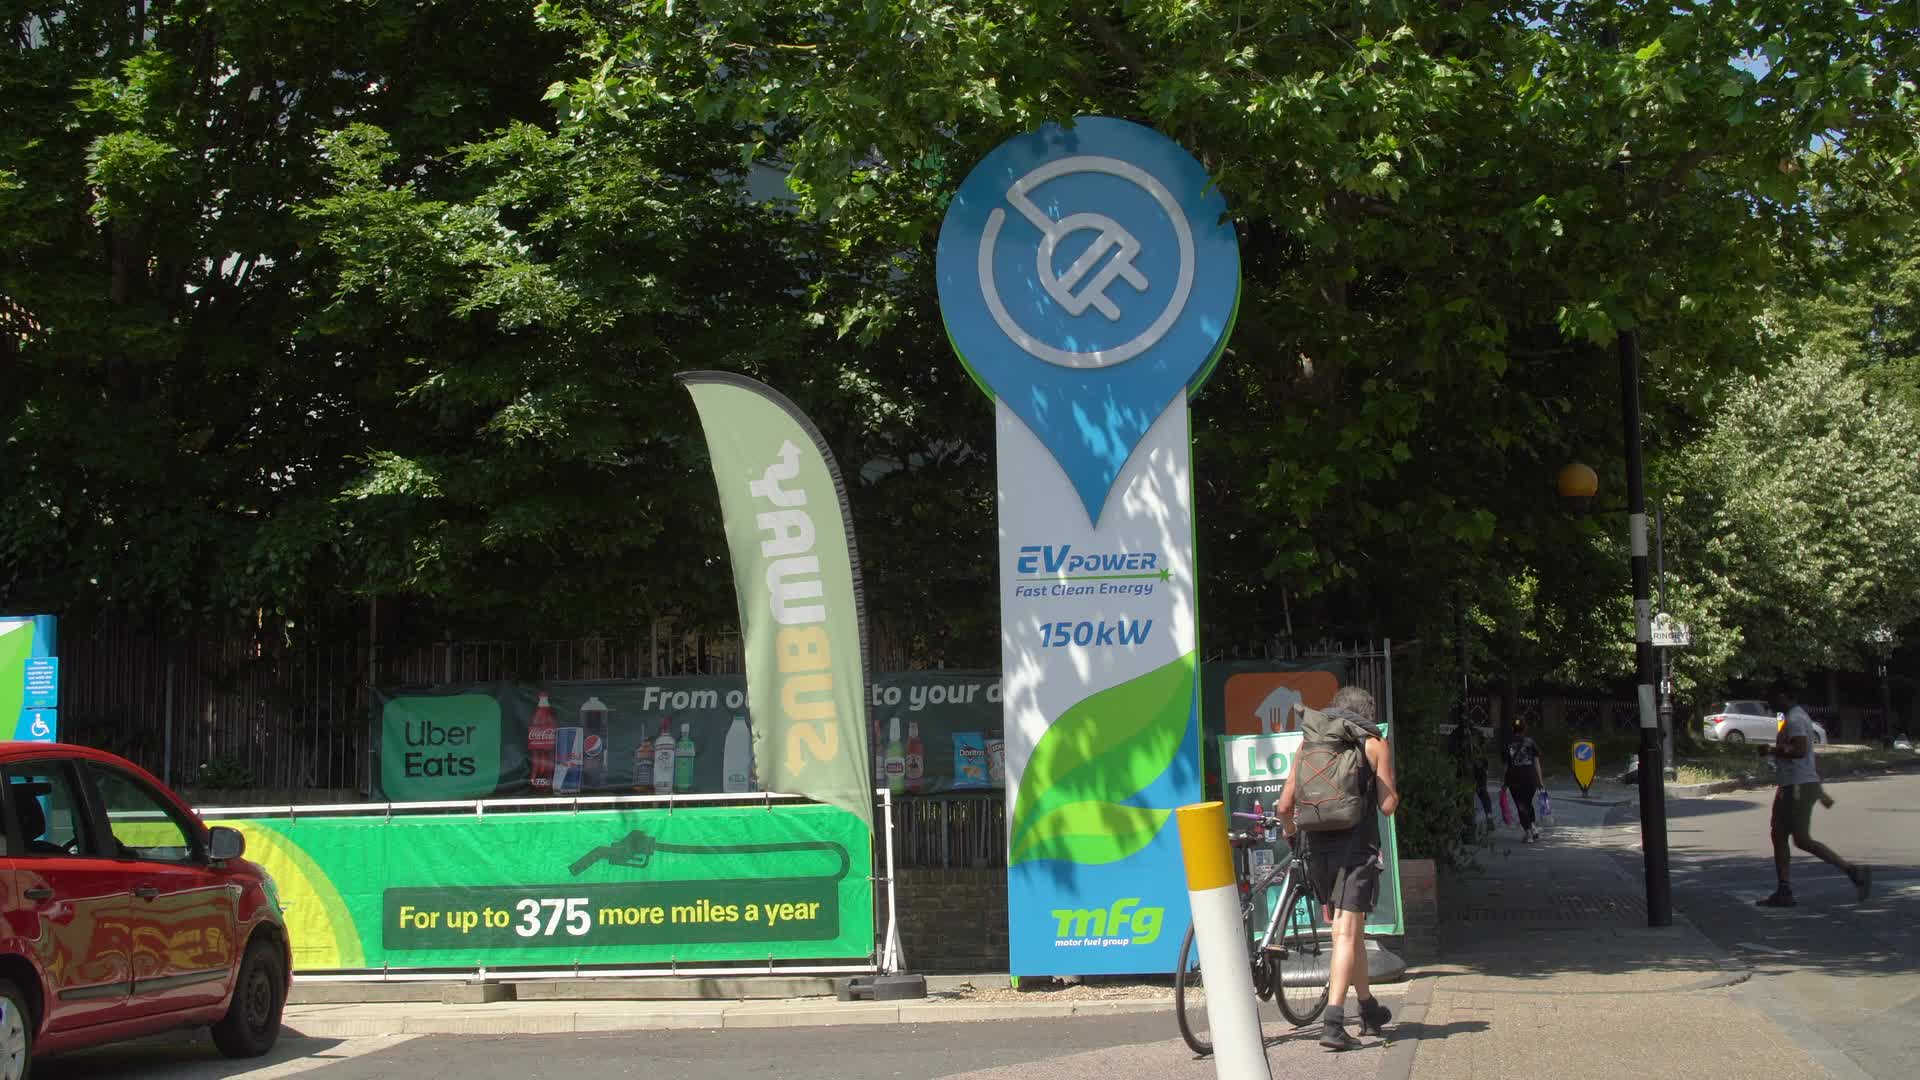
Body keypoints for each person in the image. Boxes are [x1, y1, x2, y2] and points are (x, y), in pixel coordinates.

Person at [1276, 686, 1398, 1051]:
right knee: (1345, 934)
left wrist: (1291, 837)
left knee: (1351, 931)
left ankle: (1368, 1008)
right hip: (1356, 850)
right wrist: (1385, 786)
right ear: (1367, 711)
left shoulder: (1310, 744)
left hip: (1317, 851)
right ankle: (1333, 1022)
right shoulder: (1374, 743)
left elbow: (1285, 806)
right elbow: (1388, 805)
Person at [1755, 680, 1871, 907]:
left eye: (1772, 696)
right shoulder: (1792, 718)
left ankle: (1853, 872)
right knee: (1778, 835)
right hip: (1790, 785)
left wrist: (1771, 750)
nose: (1769, 701)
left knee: (1801, 839)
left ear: (1783, 695)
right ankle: (1784, 890)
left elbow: (1800, 750)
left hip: (1797, 787)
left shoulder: (1797, 719)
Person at [1448, 708, 1495, 831]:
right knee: (1482, 792)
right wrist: (1485, 767)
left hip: (1464, 768)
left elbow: (1451, 753)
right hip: (1479, 767)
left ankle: (1466, 822)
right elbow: (1484, 752)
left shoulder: (1455, 734)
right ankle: (1489, 817)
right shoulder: (1478, 733)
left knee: (1464, 795)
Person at [1502, 717, 1546, 843]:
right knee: (1527, 803)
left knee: (1520, 805)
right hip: (1531, 778)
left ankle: (1528, 834)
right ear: (1525, 728)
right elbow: (1537, 763)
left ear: (1512, 729)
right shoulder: (1530, 742)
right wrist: (1540, 782)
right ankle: (1533, 827)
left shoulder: (1507, 743)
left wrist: (1504, 783)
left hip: (1514, 778)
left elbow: (1506, 765)